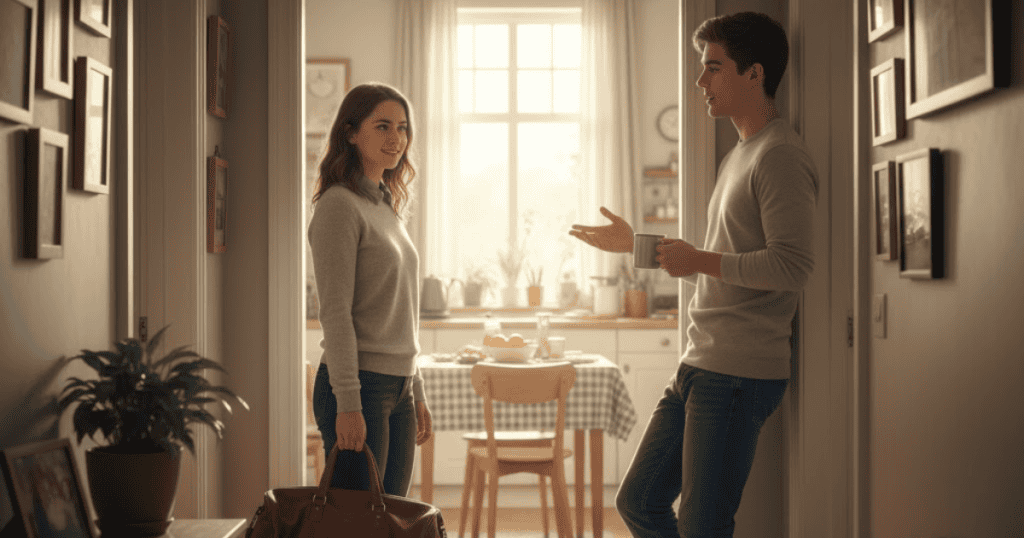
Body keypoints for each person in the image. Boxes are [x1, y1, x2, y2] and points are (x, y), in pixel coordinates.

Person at [570, 12, 818, 538]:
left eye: (713, 68)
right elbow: (722, 263)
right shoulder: (740, 156)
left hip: (737, 373)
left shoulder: (779, 156)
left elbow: (793, 266)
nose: (700, 82)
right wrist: (636, 245)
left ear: (754, 74)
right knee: (638, 501)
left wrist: (700, 259)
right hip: (700, 363)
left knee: (703, 526)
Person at [308, 82, 432, 495]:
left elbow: (401, 311)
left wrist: (415, 389)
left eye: (402, 127)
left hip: (397, 386)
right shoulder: (338, 206)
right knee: (359, 523)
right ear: (350, 132)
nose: (395, 138)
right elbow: (336, 313)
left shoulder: (385, 206)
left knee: (391, 519)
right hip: (360, 385)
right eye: (382, 126)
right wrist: (348, 403)